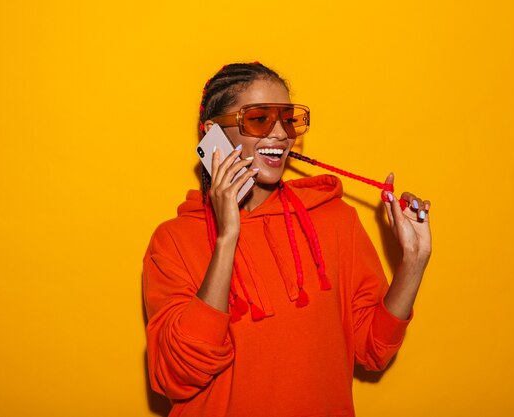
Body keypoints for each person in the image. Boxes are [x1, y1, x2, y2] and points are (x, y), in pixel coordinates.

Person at [143, 62, 432, 417]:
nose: (280, 134)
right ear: (213, 133)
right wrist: (227, 237)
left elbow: (373, 348)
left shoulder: (335, 220)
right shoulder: (172, 240)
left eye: (288, 119)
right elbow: (177, 374)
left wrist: (414, 261)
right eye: (260, 119)